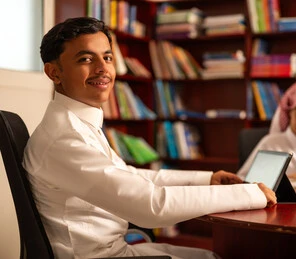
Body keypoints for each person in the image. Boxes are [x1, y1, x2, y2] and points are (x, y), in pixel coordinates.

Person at [22, 17, 276, 259]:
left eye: (107, 57)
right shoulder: (66, 138)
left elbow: (132, 177)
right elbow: (152, 206)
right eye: (86, 59)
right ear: (54, 72)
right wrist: (249, 194)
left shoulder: (76, 124)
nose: (103, 69)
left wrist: (207, 179)